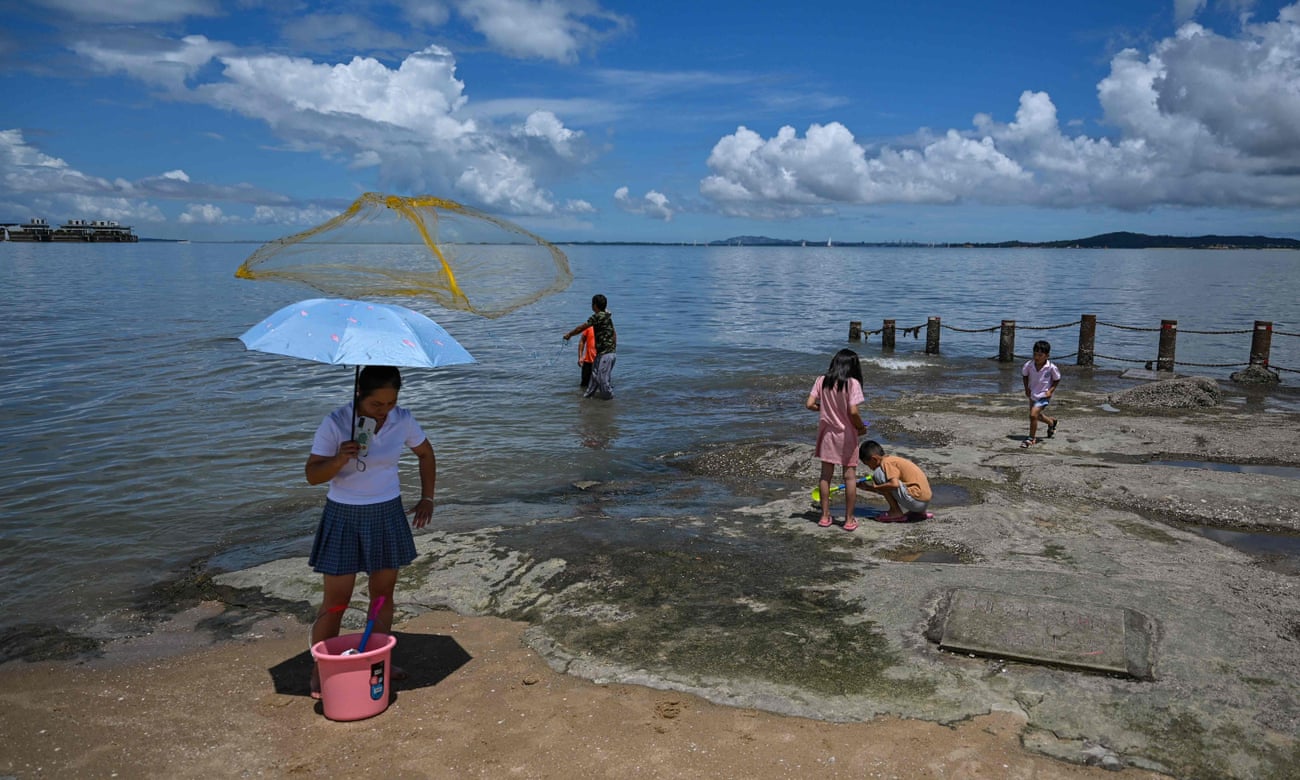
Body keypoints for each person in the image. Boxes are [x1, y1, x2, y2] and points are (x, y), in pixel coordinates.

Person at [305, 365, 436, 698]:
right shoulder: (336, 422)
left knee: (381, 598)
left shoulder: (402, 420)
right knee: (337, 600)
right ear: (359, 395)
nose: (384, 411)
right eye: (378, 404)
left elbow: (425, 453)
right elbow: (312, 475)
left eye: (391, 403)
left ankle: (380, 659)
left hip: (386, 511)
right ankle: (321, 669)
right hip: (343, 514)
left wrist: (427, 497)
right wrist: (338, 459)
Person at [806, 349, 869, 531]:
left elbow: (809, 404)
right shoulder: (852, 383)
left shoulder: (821, 380)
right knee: (849, 477)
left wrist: (823, 408)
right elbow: (854, 412)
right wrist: (860, 427)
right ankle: (849, 520)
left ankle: (825, 517)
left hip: (827, 434)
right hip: (847, 435)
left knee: (825, 476)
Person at [860, 440, 932, 522]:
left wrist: (875, 487)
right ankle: (918, 513)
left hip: (915, 502)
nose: (870, 467)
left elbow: (894, 485)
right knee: (886, 480)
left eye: (867, 464)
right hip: (924, 503)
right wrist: (868, 488)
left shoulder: (886, 463)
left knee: (878, 474)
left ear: (874, 459)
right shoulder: (893, 460)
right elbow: (888, 490)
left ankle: (895, 512)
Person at [563, 294, 617, 399]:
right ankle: (587, 399)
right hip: (601, 353)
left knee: (603, 381)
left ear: (595, 305)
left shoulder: (598, 316)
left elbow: (581, 328)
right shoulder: (606, 315)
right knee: (594, 378)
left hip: (606, 353)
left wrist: (569, 334)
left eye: (592, 304)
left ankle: (609, 404)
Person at [1021, 339, 1061, 447]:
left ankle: (1031, 438)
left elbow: (1057, 379)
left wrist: (1050, 391)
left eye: (1040, 355)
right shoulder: (1029, 365)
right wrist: (1026, 389)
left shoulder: (1051, 367)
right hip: (1032, 394)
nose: (1037, 357)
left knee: (1033, 415)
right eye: (1035, 354)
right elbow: (1024, 376)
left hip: (1044, 395)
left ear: (1047, 356)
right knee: (1037, 416)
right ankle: (1052, 423)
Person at [577, 325, 596, 390]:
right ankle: (584, 399)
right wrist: (580, 357)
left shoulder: (608, 327)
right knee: (584, 385)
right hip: (588, 361)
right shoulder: (589, 327)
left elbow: (613, 342)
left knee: (603, 384)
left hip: (601, 361)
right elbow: (582, 341)